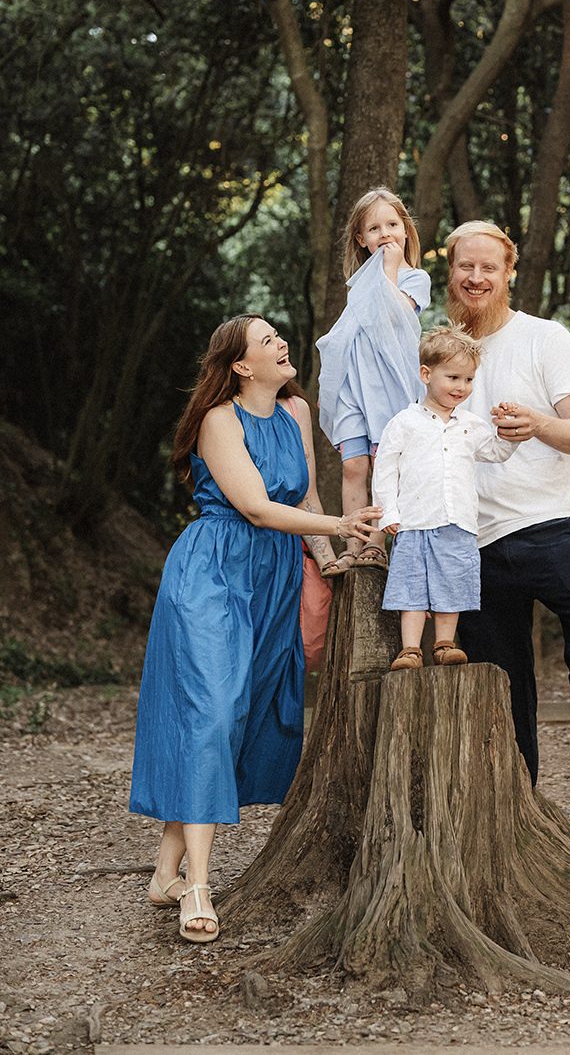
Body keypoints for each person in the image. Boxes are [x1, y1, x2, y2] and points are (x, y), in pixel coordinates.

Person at [129, 315, 380, 943]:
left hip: (274, 580)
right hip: (214, 571)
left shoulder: (295, 413)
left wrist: (331, 560)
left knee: (236, 710)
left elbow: (309, 501)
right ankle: (198, 886)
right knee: (211, 711)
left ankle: (165, 872)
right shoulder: (219, 420)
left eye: (279, 338)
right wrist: (344, 530)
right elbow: (255, 506)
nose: (282, 345)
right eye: (268, 341)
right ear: (241, 365)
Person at [446, 221, 570, 876]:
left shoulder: (544, 337)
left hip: (550, 524)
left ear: (509, 269)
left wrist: (540, 425)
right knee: (501, 684)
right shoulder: (434, 348)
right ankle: (518, 811)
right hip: (470, 540)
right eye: (465, 266)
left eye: (488, 267)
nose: (476, 278)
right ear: (450, 269)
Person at [372, 325, 517, 672]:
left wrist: (510, 432)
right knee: (412, 586)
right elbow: (386, 469)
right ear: (426, 374)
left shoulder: (471, 424)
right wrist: (388, 511)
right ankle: (410, 649)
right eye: (453, 377)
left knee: (452, 584)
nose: (461, 387)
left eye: (468, 380)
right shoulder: (404, 423)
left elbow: (495, 452)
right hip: (414, 522)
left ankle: (444, 643)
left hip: (458, 522)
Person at [316, 189, 431, 571]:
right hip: (352, 387)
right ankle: (354, 540)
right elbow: (342, 340)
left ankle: (376, 543)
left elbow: (396, 314)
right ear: (360, 239)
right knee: (353, 467)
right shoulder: (357, 287)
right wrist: (329, 388)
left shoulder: (415, 278)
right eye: (374, 228)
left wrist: (390, 270)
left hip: (389, 387)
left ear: (406, 231)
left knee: (383, 465)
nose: (385, 234)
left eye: (393, 225)